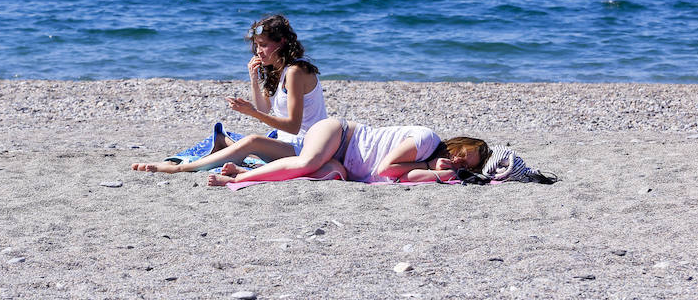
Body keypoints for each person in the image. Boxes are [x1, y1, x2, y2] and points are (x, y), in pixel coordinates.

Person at [131, 14, 328, 173]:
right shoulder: (277, 71)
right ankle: (181, 161)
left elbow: (293, 126)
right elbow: (265, 109)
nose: (258, 51)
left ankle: (181, 168)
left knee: (251, 140)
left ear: (282, 42)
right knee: (221, 137)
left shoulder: (295, 71)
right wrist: (253, 79)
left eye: (264, 45)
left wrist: (253, 114)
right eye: (257, 45)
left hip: (307, 147)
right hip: (286, 143)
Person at [206, 117, 490, 187]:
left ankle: (247, 171)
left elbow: (408, 176)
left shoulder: (435, 165)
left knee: (328, 175)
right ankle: (235, 181)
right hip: (340, 135)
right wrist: (430, 165)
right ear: (457, 142)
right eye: (462, 153)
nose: (457, 160)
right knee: (307, 162)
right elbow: (386, 169)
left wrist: (443, 172)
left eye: (465, 163)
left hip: (343, 164)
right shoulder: (427, 140)